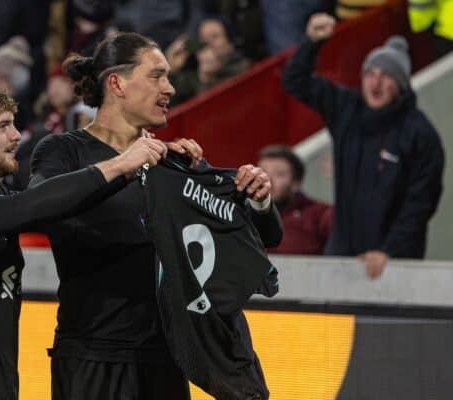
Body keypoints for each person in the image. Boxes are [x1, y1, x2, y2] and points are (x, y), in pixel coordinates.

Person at [29, 32, 278, 400]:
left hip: (168, 358)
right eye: (157, 75)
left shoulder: (173, 163)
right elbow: (38, 204)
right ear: (117, 83)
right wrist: (122, 165)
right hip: (92, 358)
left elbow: (266, 237)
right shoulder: (64, 150)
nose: (170, 88)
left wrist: (259, 200)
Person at [0, 80, 168, 399]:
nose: (16, 136)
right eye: (3, 126)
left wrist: (156, 161)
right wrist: (120, 164)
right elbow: (35, 205)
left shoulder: (2, 205)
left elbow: (58, 202)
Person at [282, 13, 445, 278]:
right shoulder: (347, 109)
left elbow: (421, 202)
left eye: (386, 76)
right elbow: (294, 81)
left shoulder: (419, 133)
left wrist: (389, 251)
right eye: (370, 73)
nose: (376, 82)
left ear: (401, 86)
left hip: (393, 261)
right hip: (343, 252)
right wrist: (312, 42)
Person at [258, 145, 332, 255]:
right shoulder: (241, 213)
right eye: (261, 172)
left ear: (296, 183)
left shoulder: (320, 215)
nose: (267, 180)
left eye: (279, 174)